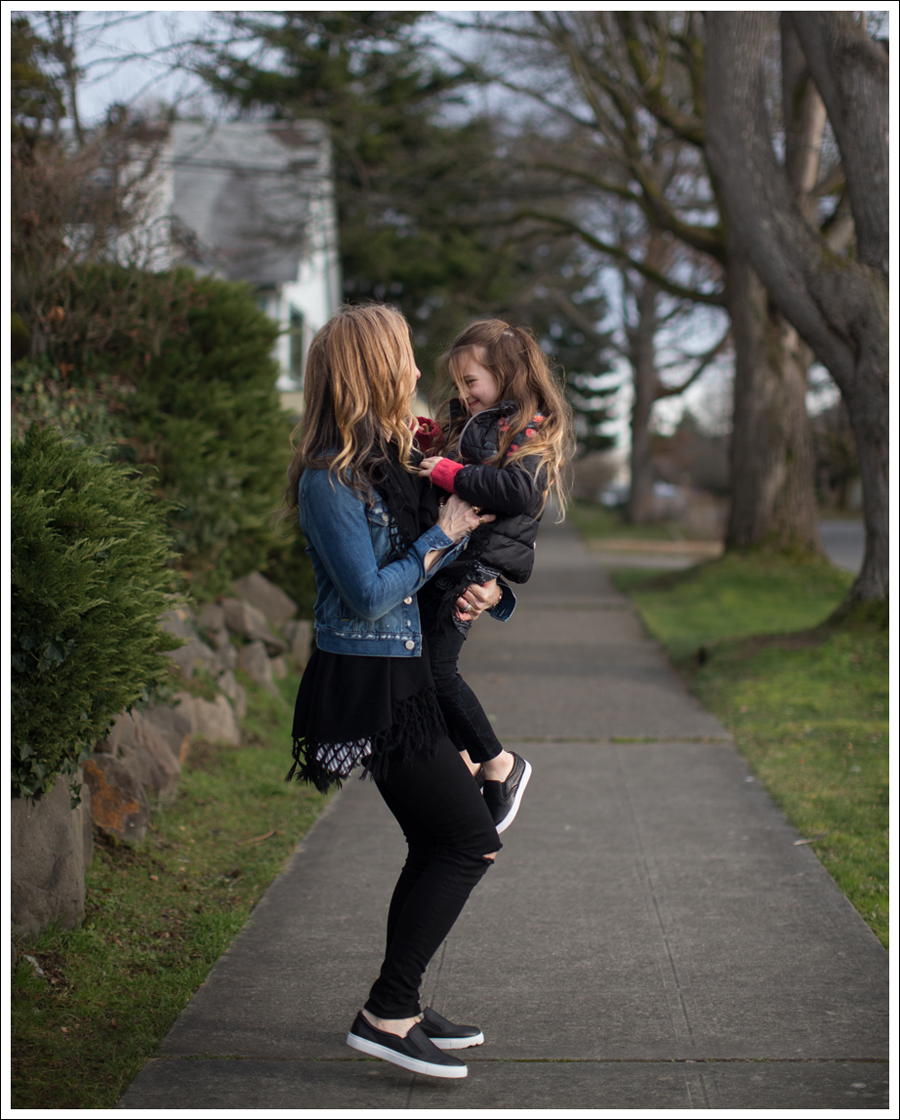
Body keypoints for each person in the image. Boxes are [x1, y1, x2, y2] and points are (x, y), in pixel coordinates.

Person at [283, 304, 504, 1080]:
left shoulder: (389, 458)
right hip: (367, 683)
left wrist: (483, 588)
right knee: (468, 841)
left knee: (437, 840)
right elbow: (373, 594)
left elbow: (438, 561)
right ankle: (387, 1012)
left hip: (405, 678)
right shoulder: (328, 479)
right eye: (404, 357)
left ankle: (399, 1000)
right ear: (372, 368)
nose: (416, 372)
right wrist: (440, 537)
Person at [415, 319, 574, 833]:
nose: (463, 394)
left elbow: (518, 492)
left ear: (506, 375)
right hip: (454, 558)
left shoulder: (526, 429)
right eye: (458, 384)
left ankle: (500, 764)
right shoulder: (475, 423)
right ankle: (463, 759)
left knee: (437, 666)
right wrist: (426, 448)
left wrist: (447, 471)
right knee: (424, 663)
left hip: (476, 563)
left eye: (471, 382)